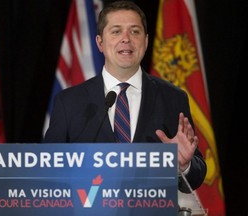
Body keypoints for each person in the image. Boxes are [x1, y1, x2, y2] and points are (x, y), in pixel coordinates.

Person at [43, 0, 206, 193]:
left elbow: (196, 172)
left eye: (135, 31)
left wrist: (184, 166)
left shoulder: (173, 97)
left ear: (145, 42)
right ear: (100, 43)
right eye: (116, 31)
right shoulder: (68, 102)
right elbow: (48, 168)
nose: (126, 38)